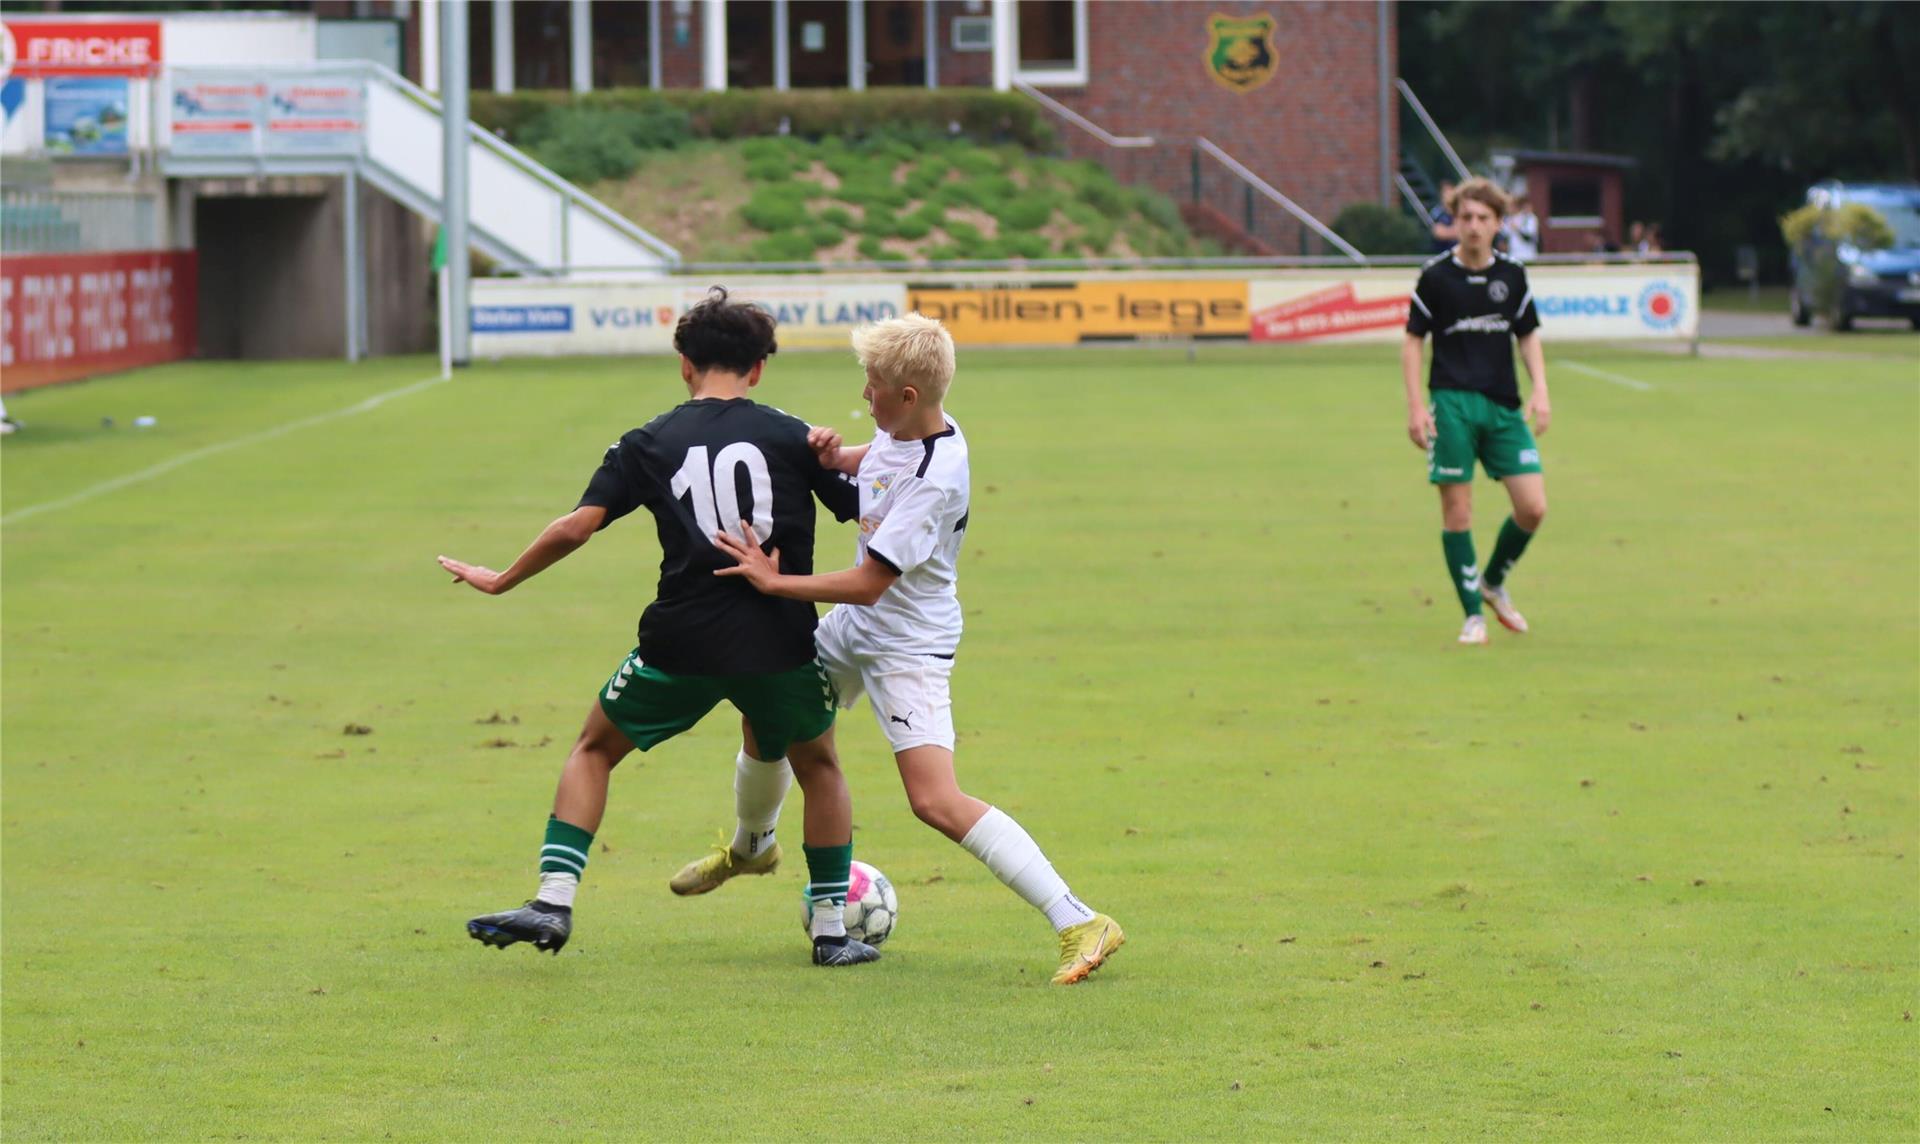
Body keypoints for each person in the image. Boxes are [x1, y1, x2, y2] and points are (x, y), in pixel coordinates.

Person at [439, 287, 880, 968]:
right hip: (778, 642)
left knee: (593, 749)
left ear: (684, 362)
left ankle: (552, 901)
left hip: (682, 641)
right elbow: (870, 509)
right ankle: (830, 932)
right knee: (819, 767)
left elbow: (576, 526)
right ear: (759, 368)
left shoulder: (648, 441)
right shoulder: (796, 437)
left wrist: (501, 577)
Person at [691, 313, 1126, 986]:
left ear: (909, 396)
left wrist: (776, 582)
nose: (863, 396)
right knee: (767, 705)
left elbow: (869, 583)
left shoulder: (936, 476)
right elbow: (879, 458)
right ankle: (752, 847)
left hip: (907, 646)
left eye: (872, 385)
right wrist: (839, 457)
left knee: (934, 800)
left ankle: (1078, 919)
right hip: (856, 631)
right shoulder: (909, 430)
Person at [1401, 178, 1551, 646]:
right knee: (1458, 511)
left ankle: (1491, 582)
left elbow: (1526, 334)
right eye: (1465, 217)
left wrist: (1541, 389)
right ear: (1455, 221)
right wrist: (1414, 406)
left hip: (1504, 405)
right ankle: (1472, 615)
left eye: (1483, 218)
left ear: (1498, 224)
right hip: (1451, 403)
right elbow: (1412, 341)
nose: (1473, 226)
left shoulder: (1513, 276)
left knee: (1532, 507)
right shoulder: (1435, 277)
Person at [1503, 194, 1539, 261]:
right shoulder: (1508, 219)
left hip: (1527, 255)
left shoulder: (1528, 218)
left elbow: (1529, 237)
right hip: (1513, 255)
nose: (1507, 208)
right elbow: (1504, 236)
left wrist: (1517, 229)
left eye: (1510, 206)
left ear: (1516, 206)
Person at [1429, 179, 1459, 252]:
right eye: (1445, 192)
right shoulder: (1437, 212)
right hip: (1441, 253)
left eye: (1451, 191)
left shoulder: (1460, 211)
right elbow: (1439, 233)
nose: (1448, 195)